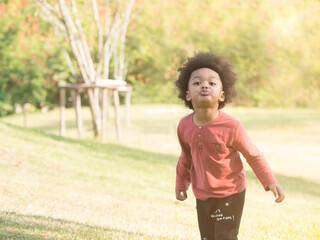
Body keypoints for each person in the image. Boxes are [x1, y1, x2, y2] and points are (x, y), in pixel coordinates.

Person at [174, 51, 285, 240]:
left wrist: (270, 181)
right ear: (188, 95)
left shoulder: (231, 126)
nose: (204, 85)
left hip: (230, 192)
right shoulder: (184, 125)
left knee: (225, 237)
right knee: (208, 237)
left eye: (212, 83)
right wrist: (181, 183)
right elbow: (186, 157)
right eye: (197, 82)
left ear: (222, 95)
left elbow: (253, 155)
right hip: (202, 193)